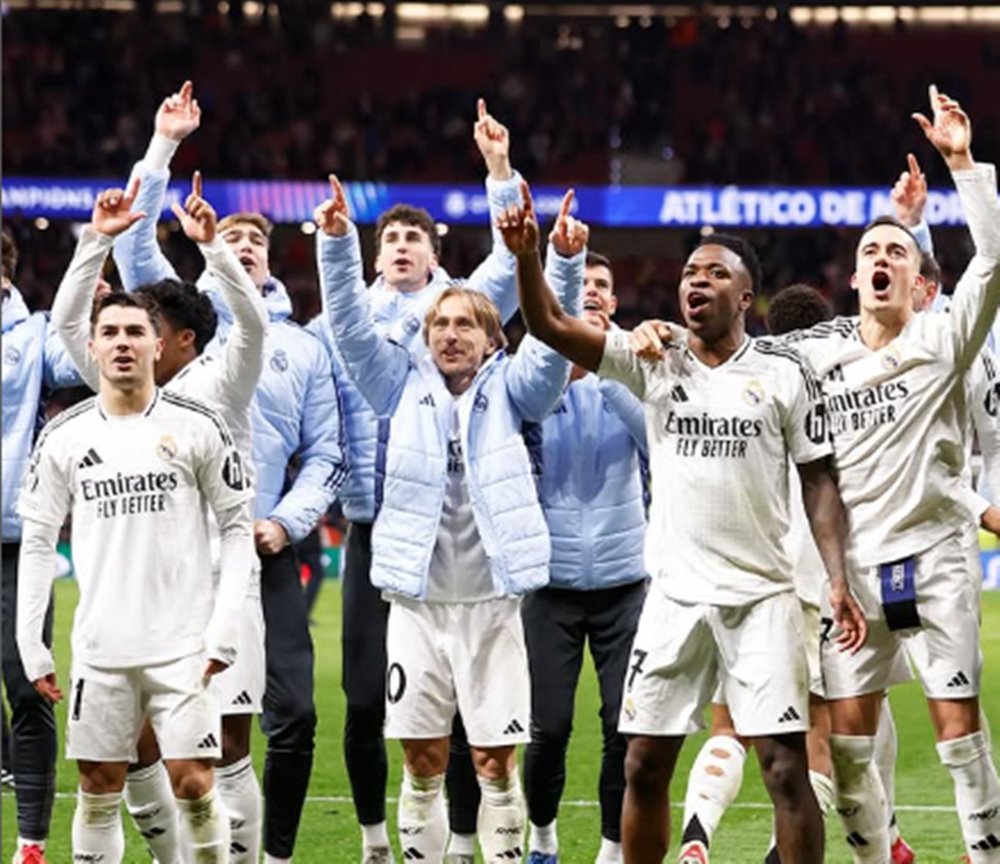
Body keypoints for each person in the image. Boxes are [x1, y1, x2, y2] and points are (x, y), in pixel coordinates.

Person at [633, 85, 1000, 862]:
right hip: (853, 573)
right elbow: (729, 349)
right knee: (852, 754)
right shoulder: (815, 351)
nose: (881, 261)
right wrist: (662, 332)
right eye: (870, 253)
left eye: (896, 253)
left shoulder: (944, 343)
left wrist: (964, 166)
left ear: (920, 280)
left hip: (934, 557)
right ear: (854, 275)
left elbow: (993, 261)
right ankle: (872, 855)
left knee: (957, 732)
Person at [505, 179, 868, 863]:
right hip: (673, 597)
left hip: (761, 599)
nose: (696, 281)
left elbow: (820, 480)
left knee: (784, 768)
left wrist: (837, 577)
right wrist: (528, 256)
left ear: (746, 296)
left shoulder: (784, 372)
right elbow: (550, 326)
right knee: (643, 764)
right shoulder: (652, 358)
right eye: (689, 273)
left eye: (715, 274)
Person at [111, 81, 347, 864]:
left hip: (260, 548)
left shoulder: (300, 346)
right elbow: (128, 236)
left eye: (254, 240)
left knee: (279, 718)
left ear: (269, 257)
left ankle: (267, 855)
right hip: (164, 544)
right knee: (150, 729)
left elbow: (327, 454)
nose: (241, 244)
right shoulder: (171, 318)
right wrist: (164, 144)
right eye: (230, 235)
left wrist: (284, 522)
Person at [317, 178, 583, 862]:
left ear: (492, 340)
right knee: (422, 761)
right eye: (439, 325)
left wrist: (564, 263)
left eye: (466, 324)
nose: (450, 334)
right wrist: (338, 245)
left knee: (495, 763)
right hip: (418, 606)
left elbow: (554, 342)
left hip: (493, 607)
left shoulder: (516, 388)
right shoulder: (396, 385)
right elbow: (348, 328)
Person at [309, 98, 525, 863]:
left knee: (465, 713)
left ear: (435, 256)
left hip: (456, 533)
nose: (401, 245)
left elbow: (512, 261)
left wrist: (498, 169)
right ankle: (377, 839)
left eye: (414, 237)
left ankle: (463, 841)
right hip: (375, 527)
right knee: (366, 699)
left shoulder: (459, 311)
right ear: (375, 258)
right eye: (390, 238)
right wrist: (334, 245)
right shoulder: (337, 328)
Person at [50, 168, 269, 864]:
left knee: (221, 752)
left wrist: (214, 249)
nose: (130, 338)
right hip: (139, 595)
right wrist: (98, 236)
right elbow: (67, 323)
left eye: (149, 328)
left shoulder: (221, 383)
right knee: (136, 749)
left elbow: (254, 323)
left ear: (179, 341)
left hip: (218, 589)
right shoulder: (116, 388)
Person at [522, 251, 648, 864]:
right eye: (584, 284)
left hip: (626, 581)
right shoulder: (534, 367)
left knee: (621, 725)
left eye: (603, 284)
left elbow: (656, 439)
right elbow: (517, 432)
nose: (593, 291)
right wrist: (561, 370)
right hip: (551, 583)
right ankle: (542, 837)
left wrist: (605, 367)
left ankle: (610, 848)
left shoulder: (639, 364)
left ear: (614, 303)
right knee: (548, 727)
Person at [2, 223, 84, 864]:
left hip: (14, 535)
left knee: (27, 685)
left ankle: (31, 842)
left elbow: (80, 364)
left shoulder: (33, 337)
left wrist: (84, 308)